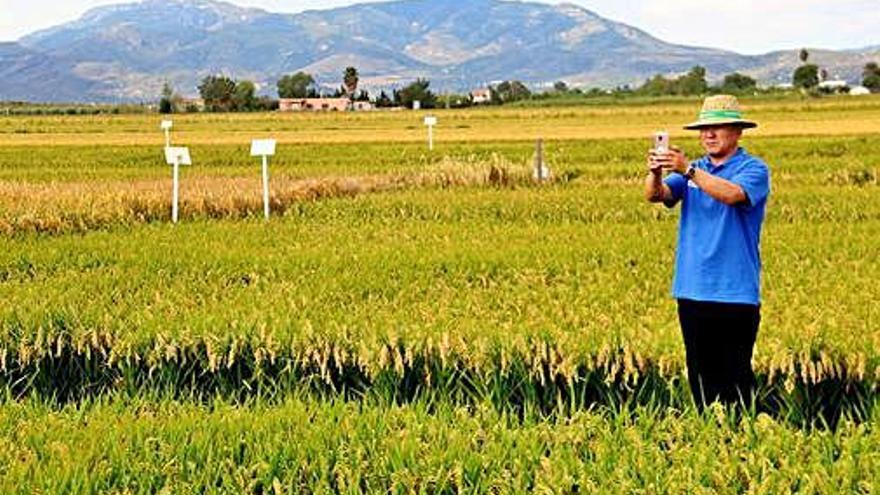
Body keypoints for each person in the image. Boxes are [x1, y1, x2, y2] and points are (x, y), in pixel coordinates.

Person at [644, 95, 771, 409]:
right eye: (704, 129)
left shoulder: (753, 169)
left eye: (718, 128)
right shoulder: (695, 169)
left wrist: (687, 170)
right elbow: (656, 195)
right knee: (701, 376)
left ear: (738, 132)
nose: (709, 135)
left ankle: (742, 441)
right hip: (692, 288)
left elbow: (732, 194)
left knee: (735, 377)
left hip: (735, 291)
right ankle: (710, 439)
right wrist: (656, 171)